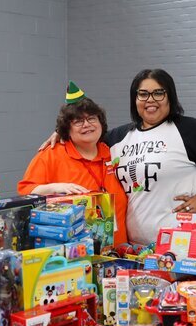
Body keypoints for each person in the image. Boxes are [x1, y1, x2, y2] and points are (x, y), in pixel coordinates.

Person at [40, 69, 196, 245]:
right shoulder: (118, 138)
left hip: (183, 240)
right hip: (135, 246)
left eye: (158, 93)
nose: (150, 100)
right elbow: (87, 133)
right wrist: (61, 133)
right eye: (143, 94)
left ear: (170, 96)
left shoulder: (187, 129)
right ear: (135, 99)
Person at [18, 82, 127, 245]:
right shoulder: (52, 155)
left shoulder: (113, 152)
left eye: (91, 118)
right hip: (75, 254)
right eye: (78, 121)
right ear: (66, 128)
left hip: (119, 250)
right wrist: (56, 187)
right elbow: (25, 192)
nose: (86, 125)